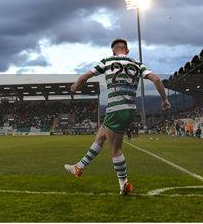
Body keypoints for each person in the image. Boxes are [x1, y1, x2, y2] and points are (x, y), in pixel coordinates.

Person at [64, 38, 171, 195]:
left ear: (113, 51)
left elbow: (85, 77)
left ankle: (124, 184)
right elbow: (156, 79)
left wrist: (75, 87)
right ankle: (79, 167)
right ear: (127, 51)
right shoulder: (137, 64)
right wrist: (165, 99)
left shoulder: (107, 61)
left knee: (116, 150)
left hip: (116, 109)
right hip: (129, 109)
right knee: (100, 136)